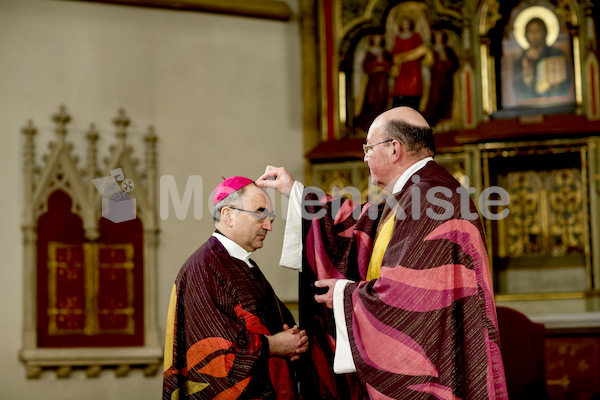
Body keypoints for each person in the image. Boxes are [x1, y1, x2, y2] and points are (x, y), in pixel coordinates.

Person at [256, 107, 508, 399]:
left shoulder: (430, 200)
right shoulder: (420, 193)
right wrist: (296, 192)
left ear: (394, 149)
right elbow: (361, 224)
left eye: (368, 148)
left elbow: (409, 297)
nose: (364, 158)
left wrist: (343, 294)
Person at [163, 176, 308, 400]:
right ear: (228, 215)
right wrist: (274, 345)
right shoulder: (203, 268)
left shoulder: (241, 263)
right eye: (260, 213)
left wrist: (295, 341)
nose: (268, 226)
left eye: (270, 217)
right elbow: (213, 354)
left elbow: (274, 324)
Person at [513, 17, 571, 100]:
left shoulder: (556, 54)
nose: (534, 35)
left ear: (545, 33)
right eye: (531, 31)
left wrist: (556, 86)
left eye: (538, 31)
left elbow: (565, 84)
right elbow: (516, 89)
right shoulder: (520, 61)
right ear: (526, 35)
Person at [389, 17, 431, 109]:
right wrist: (401, 58)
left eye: (407, 23)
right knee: (401, 89)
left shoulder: (416, 37)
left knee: (414, 88)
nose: (406, 26)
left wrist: (416, 54)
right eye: (404, 24)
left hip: (413, 67)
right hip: (402, 68)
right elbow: (395, 53)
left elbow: (421, 50)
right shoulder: (398, 38)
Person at [355, 34, 393, 133]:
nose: (377, 41)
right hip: (373, 82)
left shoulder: (384, 53)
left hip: (383, 80)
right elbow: (366, 66)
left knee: (382, 101)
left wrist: (383, 64)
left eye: (379, 39)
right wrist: (376, 63)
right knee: (371, 102)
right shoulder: (369, 53)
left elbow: (390, 65)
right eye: (375, 39)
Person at [423, 30, 459, 126]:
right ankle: (432, 120)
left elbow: (455, 64)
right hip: (435, 79)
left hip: (446, 78)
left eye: (440, 36)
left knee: (446, 97)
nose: (438, 38)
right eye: (436, 36)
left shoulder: (447, 50)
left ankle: (444, 118)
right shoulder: (431, 50)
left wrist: (446, 59)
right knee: (435, 97)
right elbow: (427, 63)